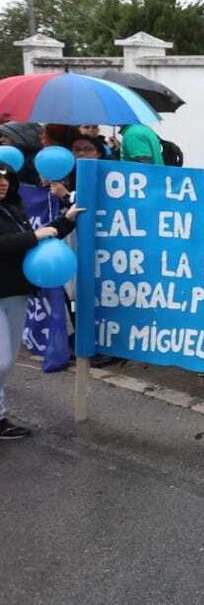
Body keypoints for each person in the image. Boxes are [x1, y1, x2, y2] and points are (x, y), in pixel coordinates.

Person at [0, 163, 83, 441]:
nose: (2, 184)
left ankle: (0, 417)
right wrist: (32, 236)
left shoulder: (12, 209)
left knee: (9, 359)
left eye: (6, 179)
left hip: (15, 292)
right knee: (0, 360)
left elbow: (38, 242)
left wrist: (67, 219)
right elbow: (20, 241)